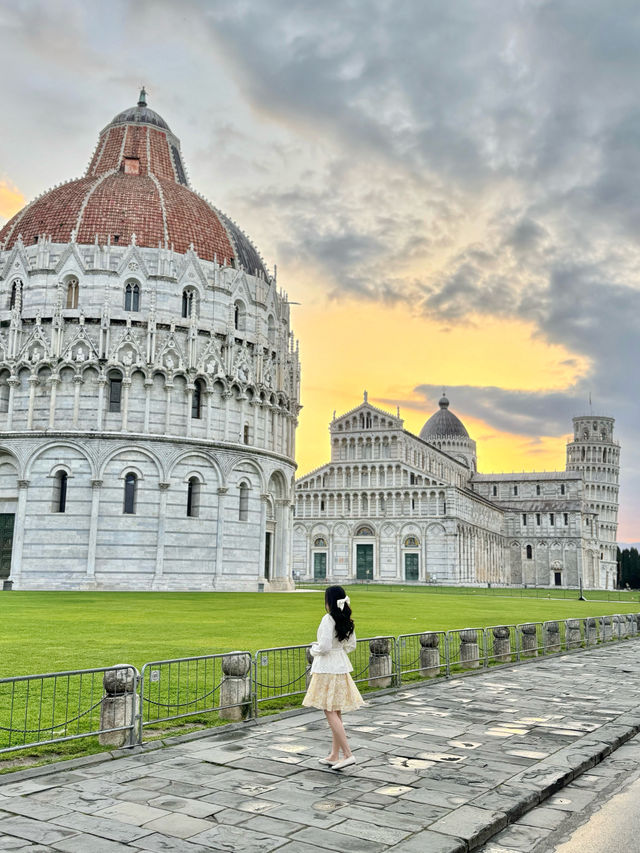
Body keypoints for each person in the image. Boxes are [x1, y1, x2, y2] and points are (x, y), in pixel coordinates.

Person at [302, 585, 364, 769]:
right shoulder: (347, 619)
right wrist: (338, 650)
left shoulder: (328, 619)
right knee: (336, 710)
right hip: (341, 665)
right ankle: (334, 754)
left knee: (329, 710)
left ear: (329, 601)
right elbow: (351, 645)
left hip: (327, 667)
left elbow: (325, 647)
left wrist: (314, 649)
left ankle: (347, 754)